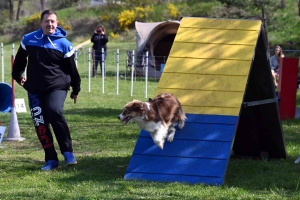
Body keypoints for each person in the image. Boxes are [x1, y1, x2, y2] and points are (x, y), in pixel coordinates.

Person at [12, 10, 81, 171]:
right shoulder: (28, 39)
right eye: (46, 21)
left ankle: (68, 152)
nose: (50, 24)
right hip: (35, 88)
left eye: (53, 21)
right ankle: (51, 159)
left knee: (54, 110)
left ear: (57, 24)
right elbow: (20, 62)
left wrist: (75, 89)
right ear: (41, 23)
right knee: (40, 121)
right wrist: (18, 77)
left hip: (57, 86)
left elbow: (72, 70)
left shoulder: (64, 44)